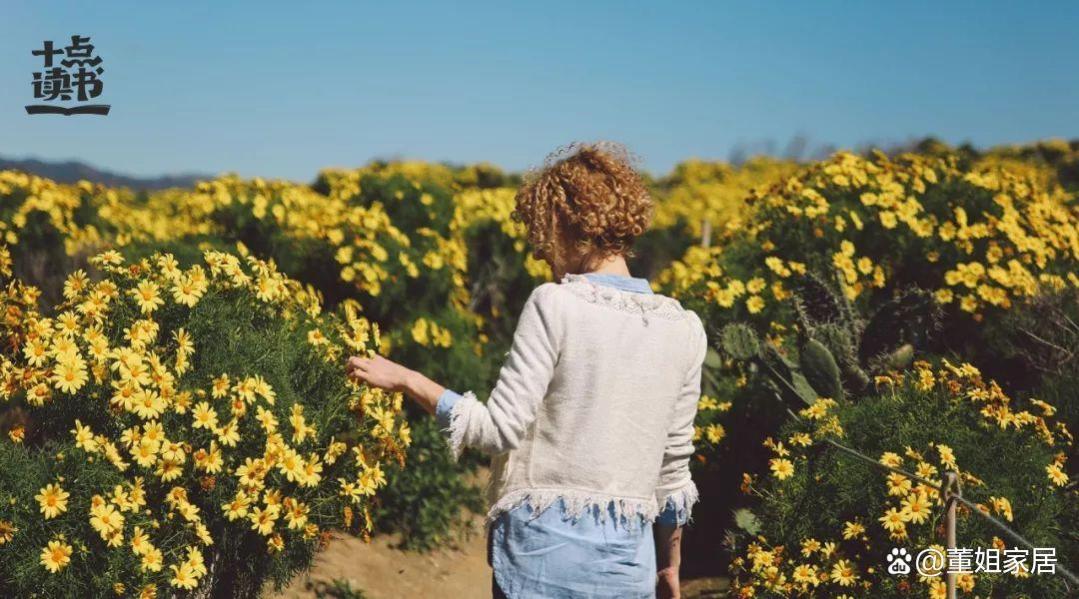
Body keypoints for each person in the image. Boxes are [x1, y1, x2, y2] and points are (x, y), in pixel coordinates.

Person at [347, 142, 705, 599]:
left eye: (541, 235)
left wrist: (407, 379)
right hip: (629, 565)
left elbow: (497, 431)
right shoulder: (684, 326)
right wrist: (669, 566)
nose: (540, 253)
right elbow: (673, 474)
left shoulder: (555, 303)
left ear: (564, 221)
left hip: (541, 557)